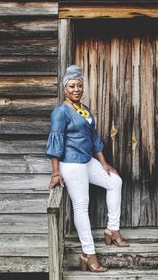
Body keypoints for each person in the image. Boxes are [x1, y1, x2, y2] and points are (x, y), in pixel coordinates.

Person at [46, 64, 130, 273]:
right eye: (72, 86)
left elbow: (93, 139)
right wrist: (56, 173)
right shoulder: (61, 111)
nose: (76, 89)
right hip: (71, 164)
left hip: (87, 161)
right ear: (65, 89)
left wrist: (103, 162)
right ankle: (88, 253)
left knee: (114, 181)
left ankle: (112, 229)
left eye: (80, 85)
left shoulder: (84, 110)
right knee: (81, 205)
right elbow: (55, 142)